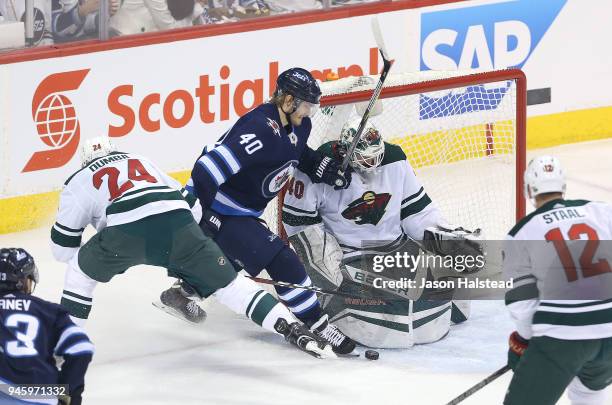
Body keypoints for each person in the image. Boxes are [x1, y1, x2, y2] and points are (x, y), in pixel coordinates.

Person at [50, 136, 334, 359]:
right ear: (117, 151)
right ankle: (291, 327)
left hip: (124, 233)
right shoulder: (140, 160)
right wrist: (197, 253)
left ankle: (63, 350)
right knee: (231, 286)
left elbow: (62, 250)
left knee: (79, 274)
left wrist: (102, 254)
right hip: (179, 222)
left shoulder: (78, 179)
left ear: (85, 161)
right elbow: (192, 204)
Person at [157, 67, 357, 354]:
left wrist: (320, 167)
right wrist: (206, 215)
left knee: (236, 259)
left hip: (245, 211)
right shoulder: (259, 128)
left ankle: (182, 292)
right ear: (288, 101)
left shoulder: (300, 125)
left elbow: (295, 153)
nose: (308, 112)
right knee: (280, 259)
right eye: (304, 106)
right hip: (220, 208)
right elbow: (206, 170)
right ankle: (318, 325)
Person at [282, 117, 480, 348]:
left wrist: (443, 237)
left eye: (375, 156)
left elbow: (417, 212)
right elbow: (298, 223)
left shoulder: (395, 158)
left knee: (448, 292)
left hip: (397, 249)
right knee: (380, 309)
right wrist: (325, 265)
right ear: (346, 151)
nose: (372, 163)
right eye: (365, 158)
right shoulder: (318, 166)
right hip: (348, 255)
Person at [503, 155, 612, 405]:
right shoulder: (603, 211)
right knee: (588, 392)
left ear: (529, 190)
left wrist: (524, 341)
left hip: (564, 335)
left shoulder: (519, 234)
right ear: (563, 186)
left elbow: (522, 304)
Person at [0, 248, 93, 405]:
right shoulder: (49, 311)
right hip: (43, 395)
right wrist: (68, 394)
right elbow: (81, 348)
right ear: (24, 281)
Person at [52, 0, 121, 42]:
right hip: (61, 50)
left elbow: (87, 26)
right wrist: (82, 12)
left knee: (114, 36)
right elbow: (52, 30)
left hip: (84, 40)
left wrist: (105, 13)